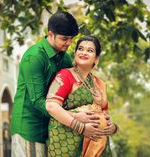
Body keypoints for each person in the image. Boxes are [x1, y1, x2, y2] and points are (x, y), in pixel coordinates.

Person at [11, 11, 92, 157]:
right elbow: (37, 100)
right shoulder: (34, 57)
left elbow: (72, 92)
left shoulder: (65, 58)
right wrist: (73, 117)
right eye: (64, 39)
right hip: (29, 128)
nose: (69, 43)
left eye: (71, 39)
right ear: (50, 34)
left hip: (54, 129)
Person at [46, 35, 118, 157]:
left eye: (90, 50)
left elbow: (104, 112)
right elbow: (51, 106)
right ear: (75, 53)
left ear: (96, 58)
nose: (84, 52)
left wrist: (113, 127)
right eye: (80, 49)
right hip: (66, 143)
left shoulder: (99, 84)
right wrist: (81, 127)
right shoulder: (64, 76)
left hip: (96, 146)